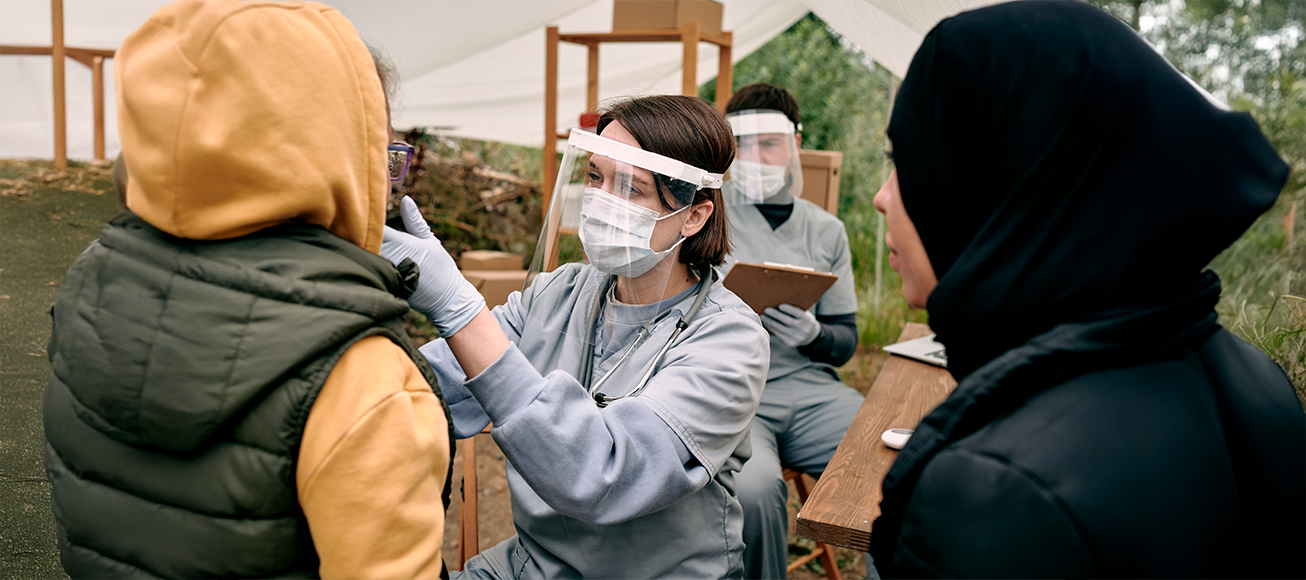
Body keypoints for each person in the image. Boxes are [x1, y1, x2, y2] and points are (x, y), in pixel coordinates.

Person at [866, 1, 1306, 578]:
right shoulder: (1256, 378)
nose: (881, 197)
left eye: (909, 161)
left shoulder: (997, 491)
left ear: (1009, 176)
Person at [42, 1, 453, 578]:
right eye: (378, 152)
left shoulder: (93, 283)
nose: (387, 182)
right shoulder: (364, 378)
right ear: (327, 152)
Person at [381, 94, 770, 579]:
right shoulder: (558, 291)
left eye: (631, 188)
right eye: (594, 177)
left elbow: (599, 472)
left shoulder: (729, 342)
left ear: (693, 215)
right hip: (531, 566)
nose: (603, 201)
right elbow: (423, 389)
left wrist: (459, 310)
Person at [717, 84, 868, 580]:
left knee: (896, 465)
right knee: (756, 491)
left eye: (770, 143)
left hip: (809, 389)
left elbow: (845, 341)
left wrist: (813, 335)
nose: (756, 157)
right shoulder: (706, 220)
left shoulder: (827, 231)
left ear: (795, 145)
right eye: (743, 144)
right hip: (734, 391)